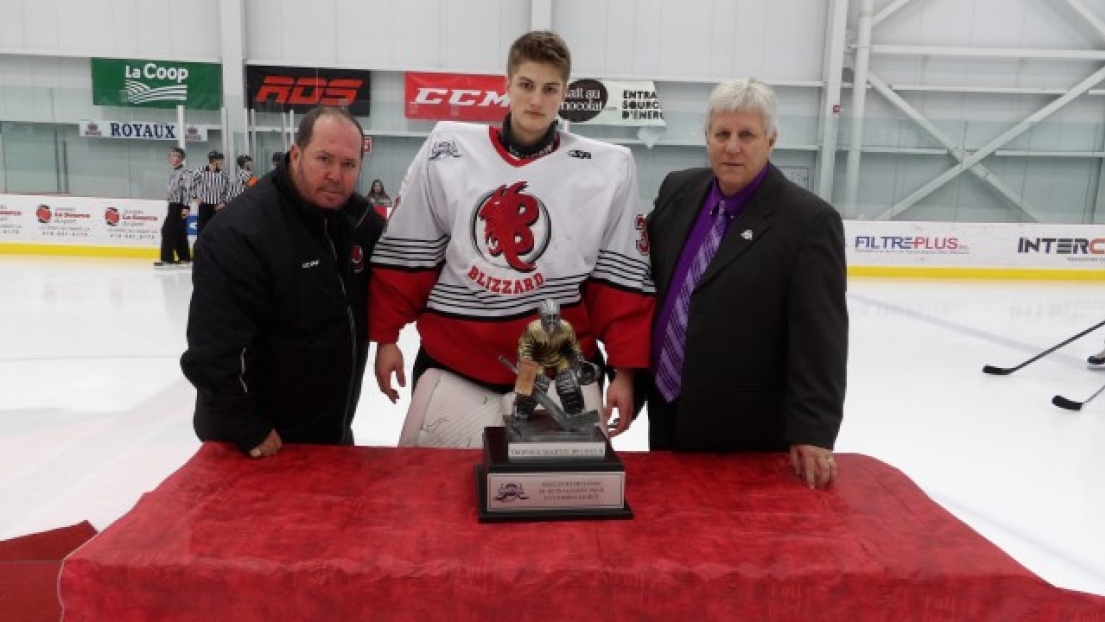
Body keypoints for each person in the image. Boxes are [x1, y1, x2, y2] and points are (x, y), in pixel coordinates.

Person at [369, 30, 654, 437]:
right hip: (454, 363)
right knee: (442, 496)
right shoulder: (447, 151)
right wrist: (386, 337)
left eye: (549, 88)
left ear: (564, 94)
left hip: (559, 374)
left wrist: (625, 373)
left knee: (558, 498)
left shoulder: (606, 169)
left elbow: (619, 284)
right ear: (507, 86)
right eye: (526, 85)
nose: (536, 100)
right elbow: (409, 254)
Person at [644, 78, 848, 489]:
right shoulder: (679, 190)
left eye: (746, 135)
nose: (732, 146)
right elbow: (649, 284)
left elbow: (820, 337)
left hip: (746, 430)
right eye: (722, 134)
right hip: (668, 409)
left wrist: (812, 430)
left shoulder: (808, 222)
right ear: (707, 137)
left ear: (771, 141)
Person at [180, 106, 387, 458]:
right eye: (324, 159)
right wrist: (247, 428)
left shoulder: (361, 221)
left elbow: (395, 283)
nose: (335, 175)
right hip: (256, 444)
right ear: (296, 154)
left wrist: (389, 340)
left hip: (327, 436)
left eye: (348, 164)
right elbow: (212, 352)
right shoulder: (241, 232)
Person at [512, 299, 595, 419]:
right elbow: (525, 348)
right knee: (536, 384)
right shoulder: (532, 329)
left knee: (568, 383)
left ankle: (575, 412)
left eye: (554, 316)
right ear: (541, 316)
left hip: (560, 358)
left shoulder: (566, 327)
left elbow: (574, 347)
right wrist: (526, 365)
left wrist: (579, 360)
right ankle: (522, 411)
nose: (551, 320)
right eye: (548, 317)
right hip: (538, 360)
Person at [155, 146, 192, 267]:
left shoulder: (185, 172)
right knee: (179, 232)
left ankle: (167, 259)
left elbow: (188, 190)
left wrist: (186, 206)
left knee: (167, 230)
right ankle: (184, 257)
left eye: (174, 155)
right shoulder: (175, 172)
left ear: (181, 158)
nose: (171, 157)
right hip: (173, 204)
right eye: (170, 155)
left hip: (179, 205)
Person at [190, 150, 230, 235]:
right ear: (214, 161)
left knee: (216, 229)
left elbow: (228, 190)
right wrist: (195, 197)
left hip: (218, 206)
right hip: (204, 205)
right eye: (220, 160)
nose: (222, 162)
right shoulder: (200, 171)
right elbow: (190, 184)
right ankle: (200, 247)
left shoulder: (224, 174)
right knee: (202, 229)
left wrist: (223, 202)